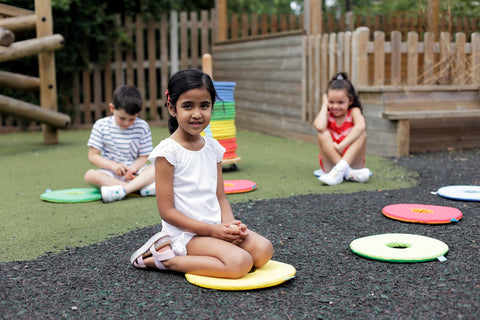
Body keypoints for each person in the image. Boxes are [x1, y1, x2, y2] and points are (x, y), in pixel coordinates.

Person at [130, 68, 273, 279]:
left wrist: (230, 227)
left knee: (263, 251)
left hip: (214, 228)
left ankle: (216, 250)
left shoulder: (213, 148)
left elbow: (220, 197)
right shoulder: (168, 152)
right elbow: (167, 212)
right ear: (172, 108)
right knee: (240, 262)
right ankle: (166, 259)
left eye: (204, 106)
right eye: (188, 106)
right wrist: (213, 231)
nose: (197, 114)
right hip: (185, 234)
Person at [84, 85, 156, 202]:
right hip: (111, 174)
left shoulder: (142, 126)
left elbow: (143, 157)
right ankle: (138, 189)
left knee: (157, 168)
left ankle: (122, 190)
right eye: (122, 118)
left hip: (136, 174)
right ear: (112, 108)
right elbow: (93, 156)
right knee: (90, 175)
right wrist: (113, 166)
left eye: (132, 119)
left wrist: (133, 169)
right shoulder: (101, 125)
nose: (127, 123)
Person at [313, 72, 371, 186]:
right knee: (322, 134)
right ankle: (347, 173)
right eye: (331, 102)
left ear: (350, 101)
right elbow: (319, 126)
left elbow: (361, 126)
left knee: (362, 134)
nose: (335, 106)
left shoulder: (353, 112)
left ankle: (341, 170)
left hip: (353, 162)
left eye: (340, 102)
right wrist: (325, 104)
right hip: (330, 166)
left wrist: (342, 145)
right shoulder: (327, 115)